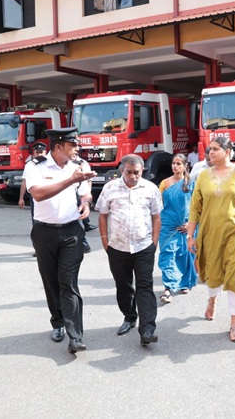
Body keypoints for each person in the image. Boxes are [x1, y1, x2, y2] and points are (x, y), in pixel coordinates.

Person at [22, 128, 96, 354]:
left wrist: (86, 203)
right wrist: (71, 179)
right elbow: (38, 194)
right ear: (58, 146)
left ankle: (76, 336)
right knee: (51, 281)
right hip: (43, 232)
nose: (77, 149)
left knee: (68, 282)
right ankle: (58, 322)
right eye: (73, 145)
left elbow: (85, 192)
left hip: (71, 232)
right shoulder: (35, 166)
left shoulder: (79, 165)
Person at [186, 136, 235, 343]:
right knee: (213, 273)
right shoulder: (203, 176)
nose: (210, 152)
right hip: (210, 234)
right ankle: (212, 300)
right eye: (209, 149)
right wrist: (190, 236)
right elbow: (195, 208)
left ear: (227, 152)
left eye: (215, 149)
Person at [96, 154, 163, 346]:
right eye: (129, 172)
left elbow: (156, 217)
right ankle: (129, 316)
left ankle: (147, 329)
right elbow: (102, 215)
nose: (133, 176)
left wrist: (154, 242)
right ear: (122, 170)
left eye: (137, 173)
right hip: (117, 247)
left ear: (142, 171)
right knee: (123, 286)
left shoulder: (150, 188)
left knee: (145, 286)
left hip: (143, 246)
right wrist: (105, 241)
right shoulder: (110, 188)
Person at [157, 154, 197, 304]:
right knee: (167, 255)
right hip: (168, 225)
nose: (175, 166)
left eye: (179, 164)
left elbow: (196, 205)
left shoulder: (191, 184)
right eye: (173, 163)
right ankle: (167, 288)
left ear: (185, 166)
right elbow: (158, 204)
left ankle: (184, 283)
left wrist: (190, 224)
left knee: (185, 255)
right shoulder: (165, 183)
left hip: (187, 225)